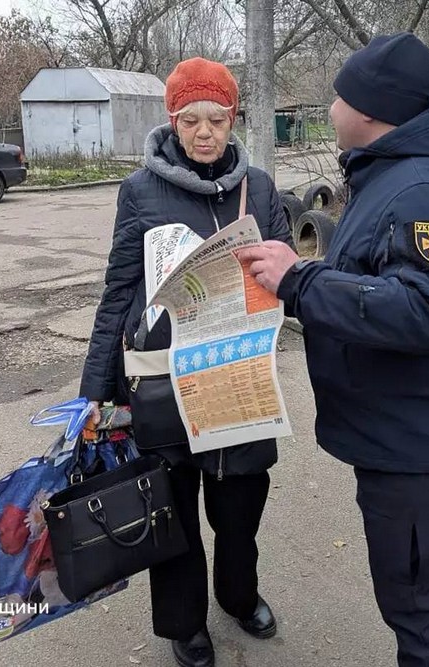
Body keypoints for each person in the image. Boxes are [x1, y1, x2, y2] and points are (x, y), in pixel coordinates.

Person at [236, 33, 429, 667]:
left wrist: (301, 280)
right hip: (405, 437)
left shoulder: (421, 190)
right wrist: (309, 276)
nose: (330, 107)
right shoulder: (392, 176)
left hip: (418, 451)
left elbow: (427, 310)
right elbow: (381, 278)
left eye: (338, 95)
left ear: (372, 110)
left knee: (422, 614)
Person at [79, 57, 294, 667]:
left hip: (237, 373)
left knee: (240, 504)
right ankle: (185, 625)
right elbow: (120, 290)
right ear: (172, 121)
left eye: (217, 120)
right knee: (169, 512)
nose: (205, 133)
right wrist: (97, 388)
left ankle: (238, 595)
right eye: (191, 120)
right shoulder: (140, 191)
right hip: (163, 384)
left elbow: (283, 275)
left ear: (233, 120)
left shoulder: (259, 185)